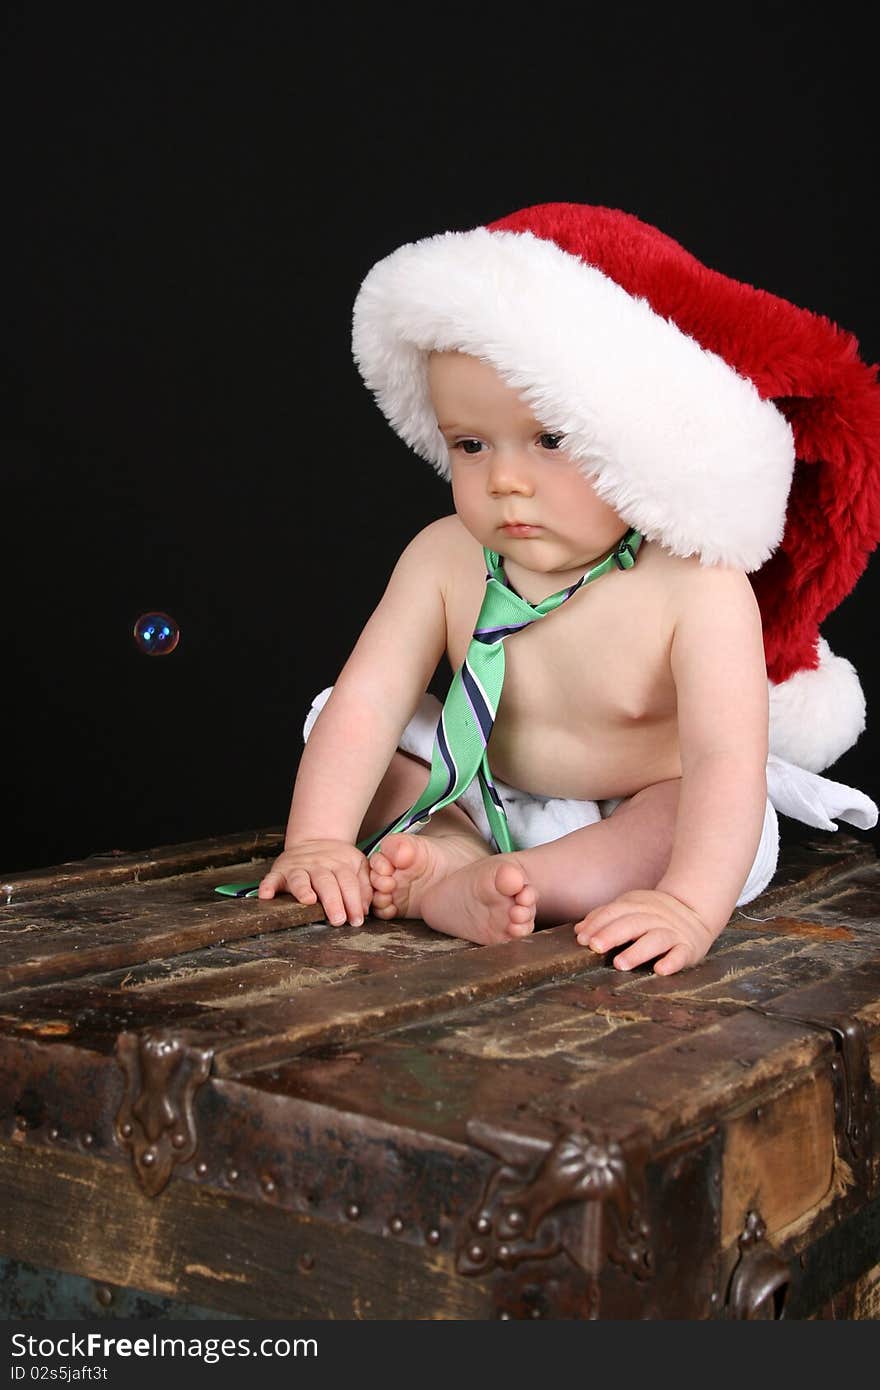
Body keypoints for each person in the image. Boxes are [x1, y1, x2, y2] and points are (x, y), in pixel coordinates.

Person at [257, 203, 880, 975]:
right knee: (353, 734)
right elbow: (369, 700)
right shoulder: (443, 556)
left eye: (551, 440)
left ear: (636, 439)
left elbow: (723, 758)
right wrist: (316, 840)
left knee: (700, 813)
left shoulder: (695, 585)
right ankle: (448, 855)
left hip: (633, 807)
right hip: (481, 783)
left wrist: (689, 903)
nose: (506, 481)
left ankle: (521, 884)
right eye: (471, 445)